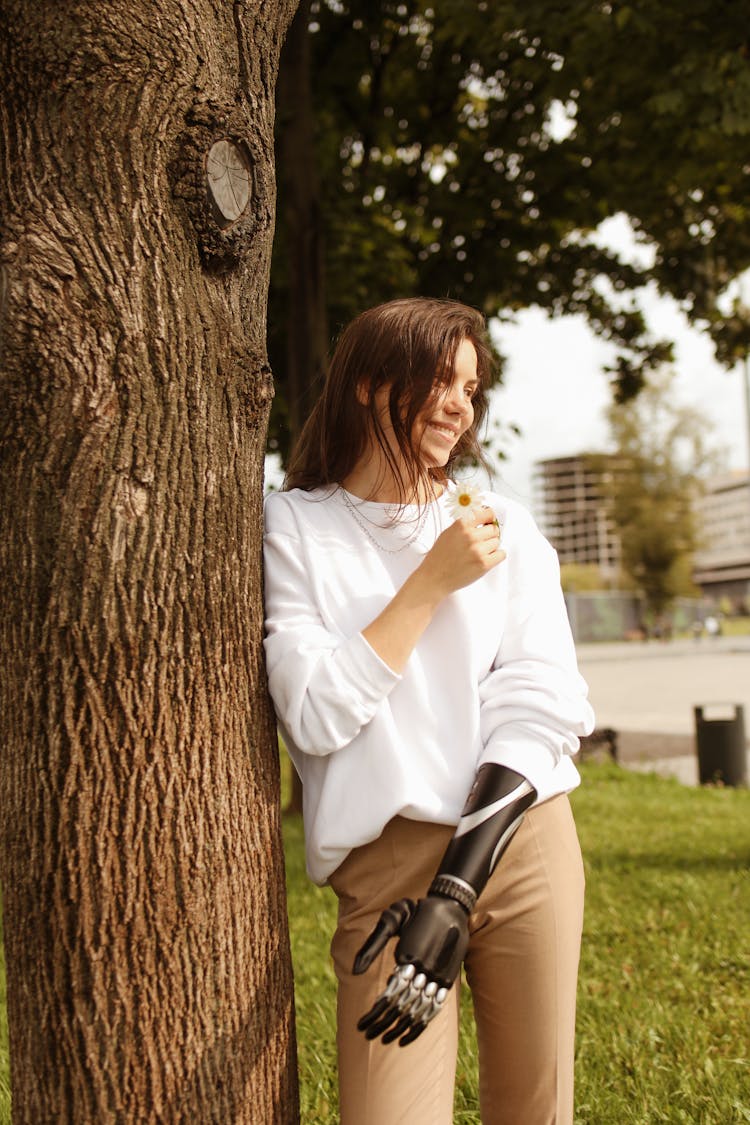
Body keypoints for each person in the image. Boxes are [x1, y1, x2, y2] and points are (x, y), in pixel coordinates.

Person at [263, 297, 595, 1125]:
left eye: (471, 387)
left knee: (535, 1109)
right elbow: (312, 712)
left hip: (518, 844)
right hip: (385, 874)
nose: (460, 403)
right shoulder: (293, 528)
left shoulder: (504, 528)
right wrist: (429, 582)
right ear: (374, 382)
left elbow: (541, 704)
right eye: (441, 378)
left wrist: (459, 885)